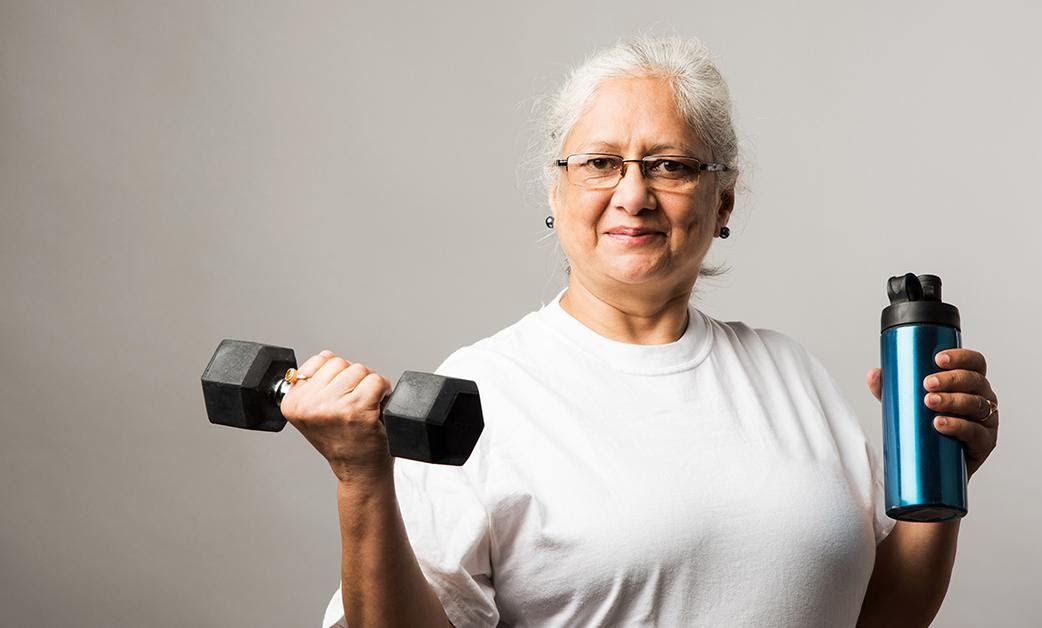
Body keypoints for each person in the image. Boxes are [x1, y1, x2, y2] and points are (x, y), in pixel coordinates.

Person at [281, 36, 1001, 628]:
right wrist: (361, 478)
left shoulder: (792, 374)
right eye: (599, 163)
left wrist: (946, 481)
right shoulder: (482, 392)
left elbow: (886, 617)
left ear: (723, 199)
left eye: (671, 166)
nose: (633, 194)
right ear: (555, 193)